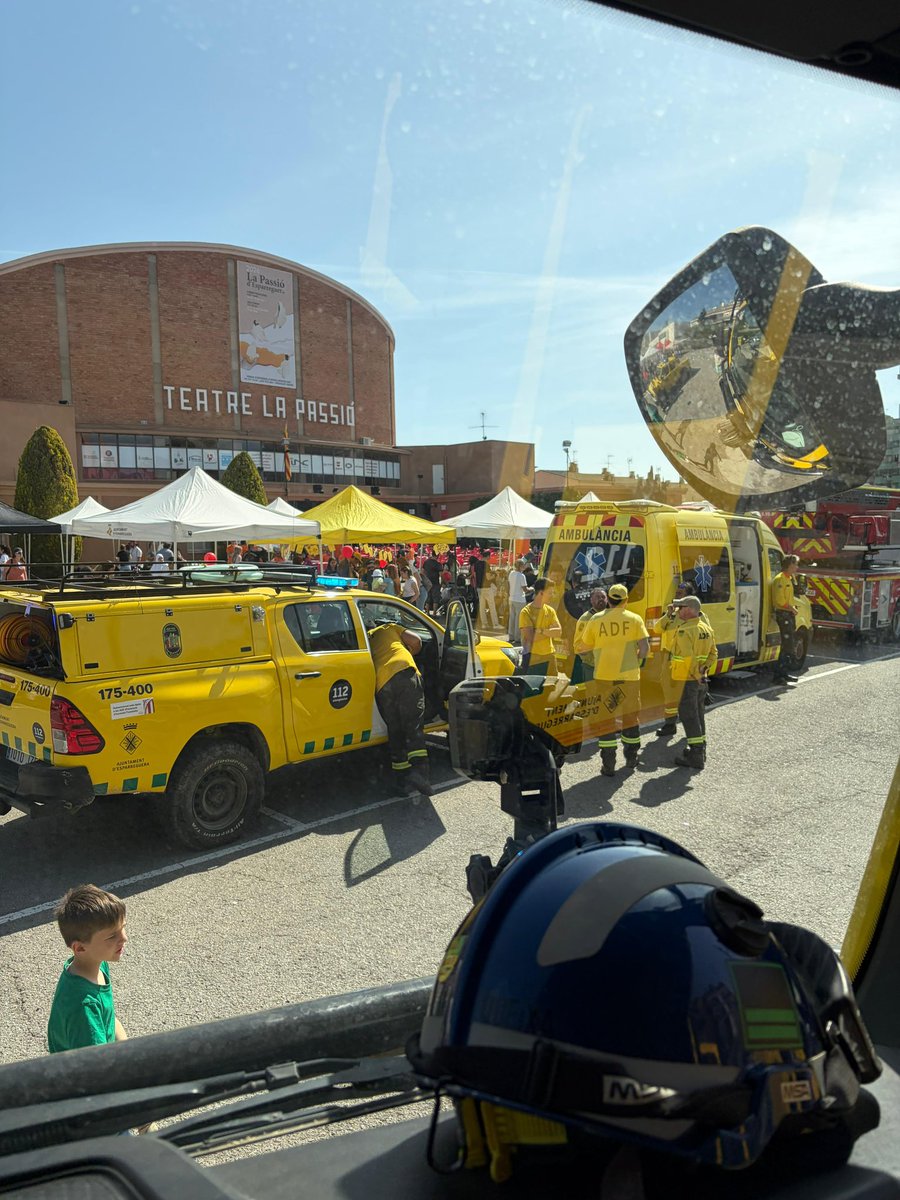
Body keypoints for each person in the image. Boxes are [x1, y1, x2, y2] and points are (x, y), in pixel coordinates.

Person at [575, 582, 649, 776]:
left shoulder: (596, 619)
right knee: (630, 717)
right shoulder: (635, 619)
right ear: (626, 600)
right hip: (630, 678)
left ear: (609, 599)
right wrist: (635, 659)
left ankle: (608, 764)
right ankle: (631, 758)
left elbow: (583, 647)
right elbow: (645, 649)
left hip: (604, 677)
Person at [47, 884, 130, 1054]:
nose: (124, 938)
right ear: (80, 948)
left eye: (123, 928)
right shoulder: (84, 1008)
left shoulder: (97, 965)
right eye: (112, 935)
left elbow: (110, 1019)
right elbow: (96, 1066)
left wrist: (131, 1051)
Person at [368, 622, 431, 797]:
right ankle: (421, 776)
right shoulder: (389, 627)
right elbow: (417, 641)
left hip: (382, 684)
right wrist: (411, 653)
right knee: (413, 726)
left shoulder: (368, 638)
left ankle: (401, 782)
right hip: (403, 671)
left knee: (395, 730)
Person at [668, 593, 718, 769]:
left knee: (689, 716)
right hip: (700, 679)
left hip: (687, 679)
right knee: (698, 714)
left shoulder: (685, 630)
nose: (678, 610)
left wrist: (697, 675)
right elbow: (714, 654)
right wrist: (704, 672)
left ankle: (696, 754)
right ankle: (700, 749)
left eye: (681, 607)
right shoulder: (706, 628)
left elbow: (688, 658)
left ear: (690, 610)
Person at [653, 579, 697, 737]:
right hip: (668, 658)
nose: (676, 597)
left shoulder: (695, 614)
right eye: (676, 594)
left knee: (687, 696)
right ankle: (670, 724)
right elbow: (657, 628)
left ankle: (693, 731)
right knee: (668, 692)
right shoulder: (672, 613)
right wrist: (668, 614)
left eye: (680, 595)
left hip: (684, 660)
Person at [519, 577, 562, 677]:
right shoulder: (526, 612)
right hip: (533, 657)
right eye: (550, 593)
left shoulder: (550, 610)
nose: (552, 596)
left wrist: (541, 631)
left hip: (550, 655)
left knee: (552, 687)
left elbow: (559, 632)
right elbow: (530, 637)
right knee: (533, 690)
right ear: (541, 593)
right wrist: (549, 632)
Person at [772, 553, 800, 684]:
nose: (797, 567)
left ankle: (784, 674)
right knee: (786, 645)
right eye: (795, 564)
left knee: (789, 645)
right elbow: (779, 601)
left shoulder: (789, 578)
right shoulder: (780, 579)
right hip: (783, 614)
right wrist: (792, 608)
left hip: (788, 614)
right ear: (789, 565)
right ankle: (778, 676)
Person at [572, 586, 607, 683]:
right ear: (591, 600)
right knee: (594, 695)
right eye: (597, 597)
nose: (601, 599)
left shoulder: (610, 616)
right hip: (592, 666)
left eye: (603, 597)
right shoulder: (586, 619)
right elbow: (578, 646)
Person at [507, 559, 527, 641]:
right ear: (521, 566)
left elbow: (508, 584)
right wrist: (532, 589)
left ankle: (511, 636)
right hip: (520, 599)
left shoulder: (511, 573)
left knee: (512, 618)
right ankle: (517, 637)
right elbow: (525, 589)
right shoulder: (522, 576)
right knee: (519, 619)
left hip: (511, 598)